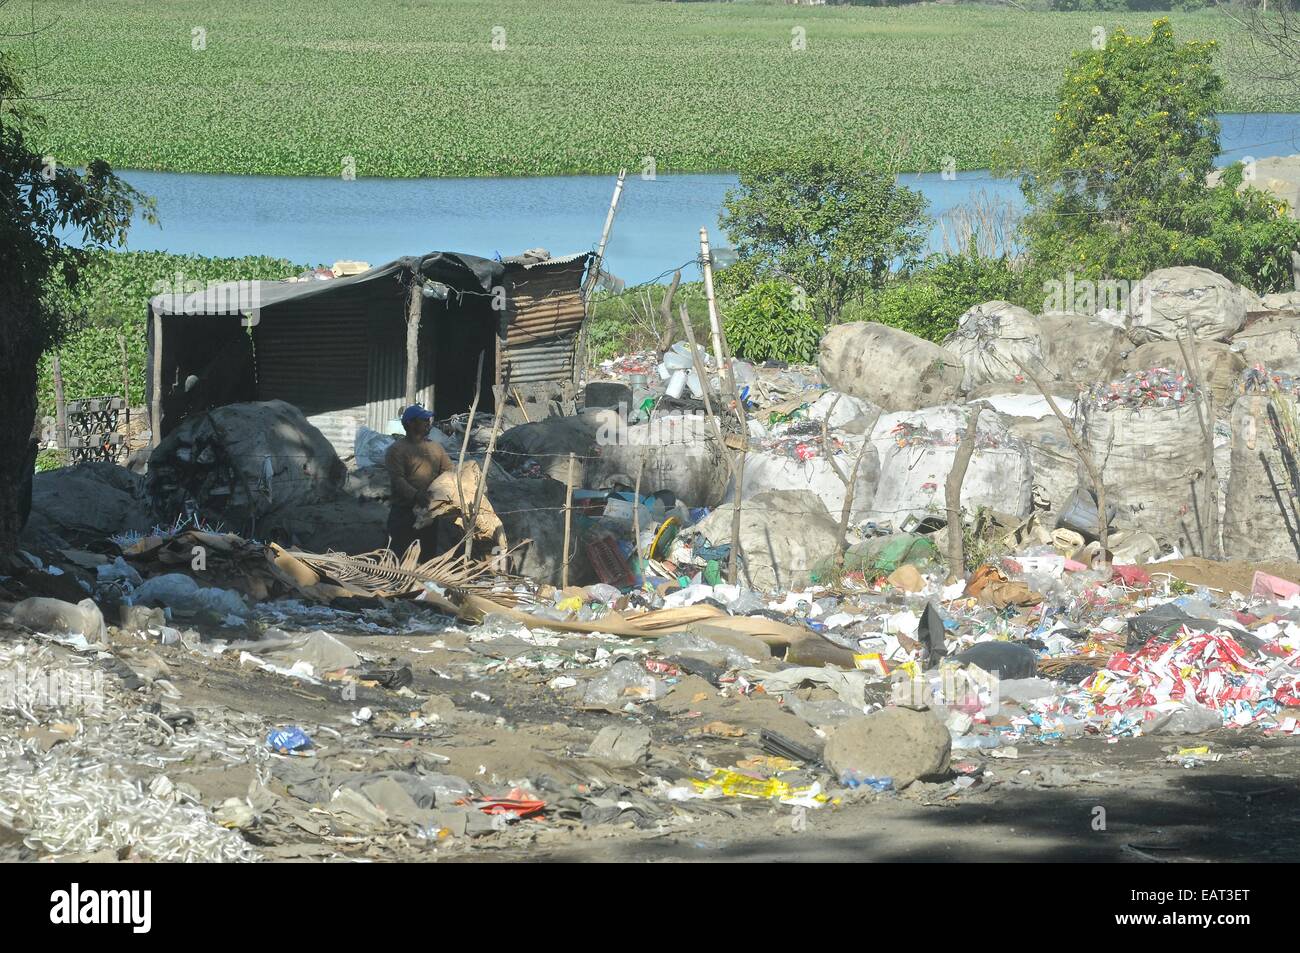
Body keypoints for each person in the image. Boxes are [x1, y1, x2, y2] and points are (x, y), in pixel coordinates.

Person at [384, 404, 453, 556]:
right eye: (423, 420)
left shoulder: (436, 448)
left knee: (427, 554)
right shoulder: (396, 450)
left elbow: (449, 472)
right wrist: (417, 495)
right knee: (398, 555)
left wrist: (439, 494)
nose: (428, 422)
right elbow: (398, 479)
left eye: (428, 419)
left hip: (428, 511)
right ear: (410, 423)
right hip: (403, 511)